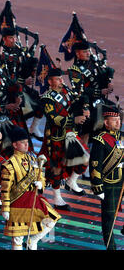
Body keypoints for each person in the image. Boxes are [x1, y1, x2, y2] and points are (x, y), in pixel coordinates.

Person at [1, 126, 61, 250]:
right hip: (17, 203)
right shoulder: (9, 165)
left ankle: (32, 241)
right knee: (17, 238)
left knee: (51, 220)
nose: (26, 145)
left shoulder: (33, 159)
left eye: (27, 142)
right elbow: (5, 190)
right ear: (15, 145)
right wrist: (5, 208)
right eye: (22, 143)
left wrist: (40, 183)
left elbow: (41, 177)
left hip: (33, 199)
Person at [39, 68, 90, 210]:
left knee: (85, 157)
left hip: (70, 133)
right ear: (50, 81)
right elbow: (54, 119)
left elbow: (76, 102)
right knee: (56, 167)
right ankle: (57, 198)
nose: (62, 80)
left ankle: (71, 181)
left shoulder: (66, 90)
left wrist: (84, 109)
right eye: (58, 79)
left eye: (62, 78)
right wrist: (74, 120)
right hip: (55, 137)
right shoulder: (46, 98)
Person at [89, 104, 123, 250]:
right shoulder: (100, 140)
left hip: (121, 181)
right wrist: (98, 187)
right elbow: (95, 165)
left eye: (119, 119)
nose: (118, 122)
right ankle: (111, 247)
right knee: (109, 219)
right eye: (114, 120)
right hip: (109, 183)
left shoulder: (121, 138)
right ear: (106, 123)